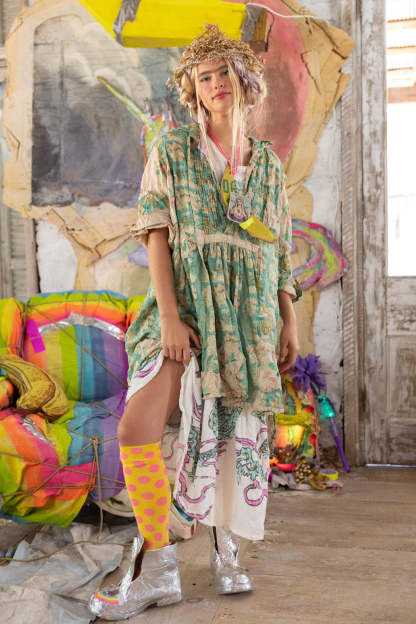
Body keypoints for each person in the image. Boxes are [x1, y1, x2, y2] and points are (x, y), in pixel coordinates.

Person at [89, 23, 301, 621]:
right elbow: (156, 233)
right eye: (203, 77)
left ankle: (225, 547)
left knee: (231, 436)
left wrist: (288, 320)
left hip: (250, 318)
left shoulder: (268, 167)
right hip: (182, 308)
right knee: (137, 430)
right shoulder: (174, 151)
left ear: (246, 80)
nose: (214, 84)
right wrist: (171, 318)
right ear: (192, 90)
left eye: (223, 73)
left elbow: (279, 250)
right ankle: (159, 566)